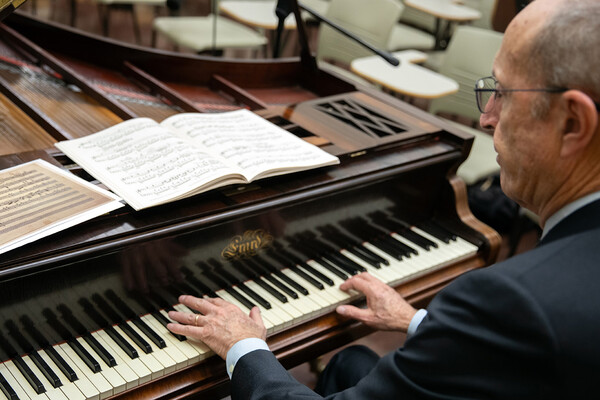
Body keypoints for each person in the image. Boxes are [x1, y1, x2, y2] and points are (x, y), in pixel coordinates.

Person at [166, 0, 600, 397]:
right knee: (351, 362)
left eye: (503, 93)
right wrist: (417, 322)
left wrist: (244, 347)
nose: (486, 119)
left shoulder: (511, 302)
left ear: (572, 123)